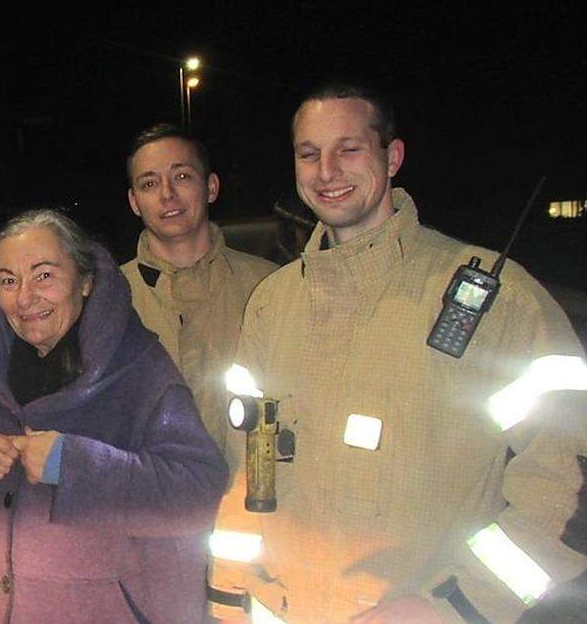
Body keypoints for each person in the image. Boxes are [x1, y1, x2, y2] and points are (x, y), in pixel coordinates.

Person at [210, 84, 587, 622]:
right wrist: (227, 599)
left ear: (393, 157)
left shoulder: (492, 301)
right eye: (309, 153)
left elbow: (572, 484)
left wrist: (454, 605)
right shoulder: (272, 304)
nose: (327, 171)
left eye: (350, 148)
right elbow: (250, 469)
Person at [0, 209, 228, 623]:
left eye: (44, 275)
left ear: (86, 282)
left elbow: (199, 489)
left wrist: (76, 465)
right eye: (8, 280)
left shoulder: (140, 369)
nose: (24, 298)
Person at [121, 124, 277, 447]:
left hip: (247, 493)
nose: (167, 194)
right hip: (142, 494)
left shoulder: (269, 288)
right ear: (135, 202)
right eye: (149, 183)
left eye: (181, 177)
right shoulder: (105, 299)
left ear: (211, 187)